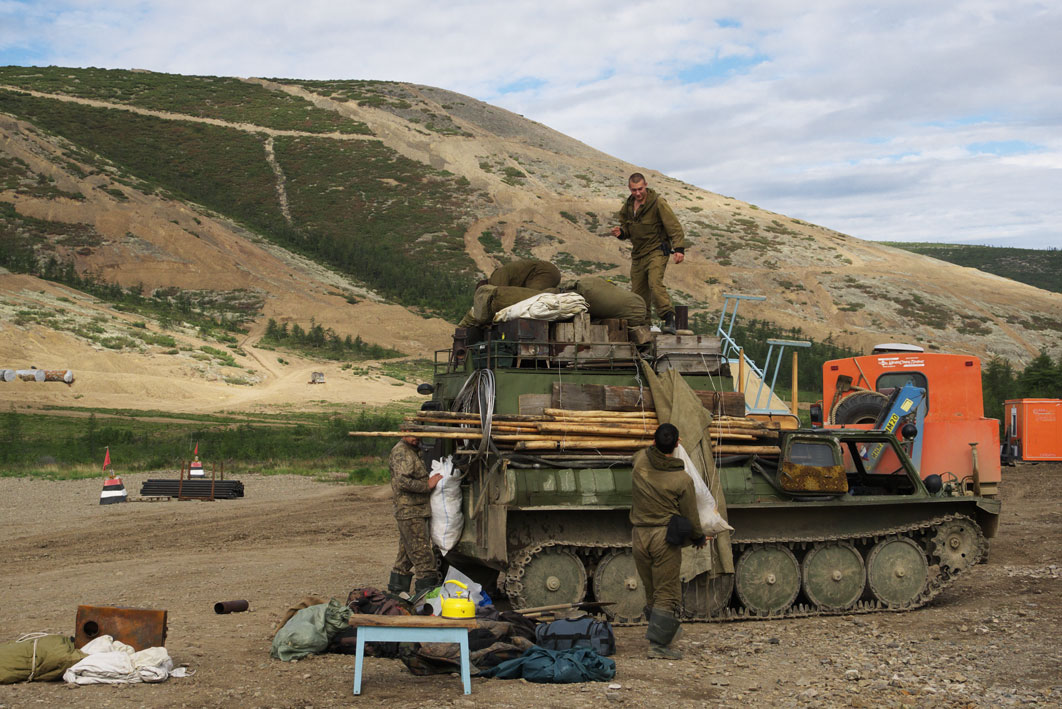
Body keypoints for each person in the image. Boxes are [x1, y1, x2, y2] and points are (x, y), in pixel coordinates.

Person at [630, 423, 706, 659]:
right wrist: (699, 537)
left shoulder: (639, 460)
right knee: (667, 592)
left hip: (639, 536)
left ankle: (663, 631)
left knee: (652, 588)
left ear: (653, 442)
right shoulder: (682, 479)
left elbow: (646, 452)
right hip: (663, 537)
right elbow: (691, 516)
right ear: (676, 445)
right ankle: (658, 646)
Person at [610, 173, 687, 334]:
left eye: (640, 189)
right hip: (638, 254)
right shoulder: (629, 206)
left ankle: (668, 318)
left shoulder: (658, 203)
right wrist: (622, 233)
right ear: (629, 189)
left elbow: (674, 226)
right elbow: (628, 227)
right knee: (638, 291)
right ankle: (643, 325)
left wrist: (679, 249)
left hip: (657, 250)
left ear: (646, 185)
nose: (637, 193)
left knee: (654, 282)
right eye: (634, 190)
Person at [387, 434, 443, 598]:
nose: (416, 438)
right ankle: (427, 597)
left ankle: (397, 592)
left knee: (406, 554)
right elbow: (402, 481)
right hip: (410, 510)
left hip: (416, 509)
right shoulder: (401, 452)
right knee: (423, 555)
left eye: (418, 434)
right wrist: (426, 485)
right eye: (412, 434)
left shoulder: (413, 450)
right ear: (403, 432)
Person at [487, 259, 562, 290]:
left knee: (530, 298)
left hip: (543, 272)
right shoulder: (499, 274)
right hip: (544, 271)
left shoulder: (496, 279)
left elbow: (501, 293)